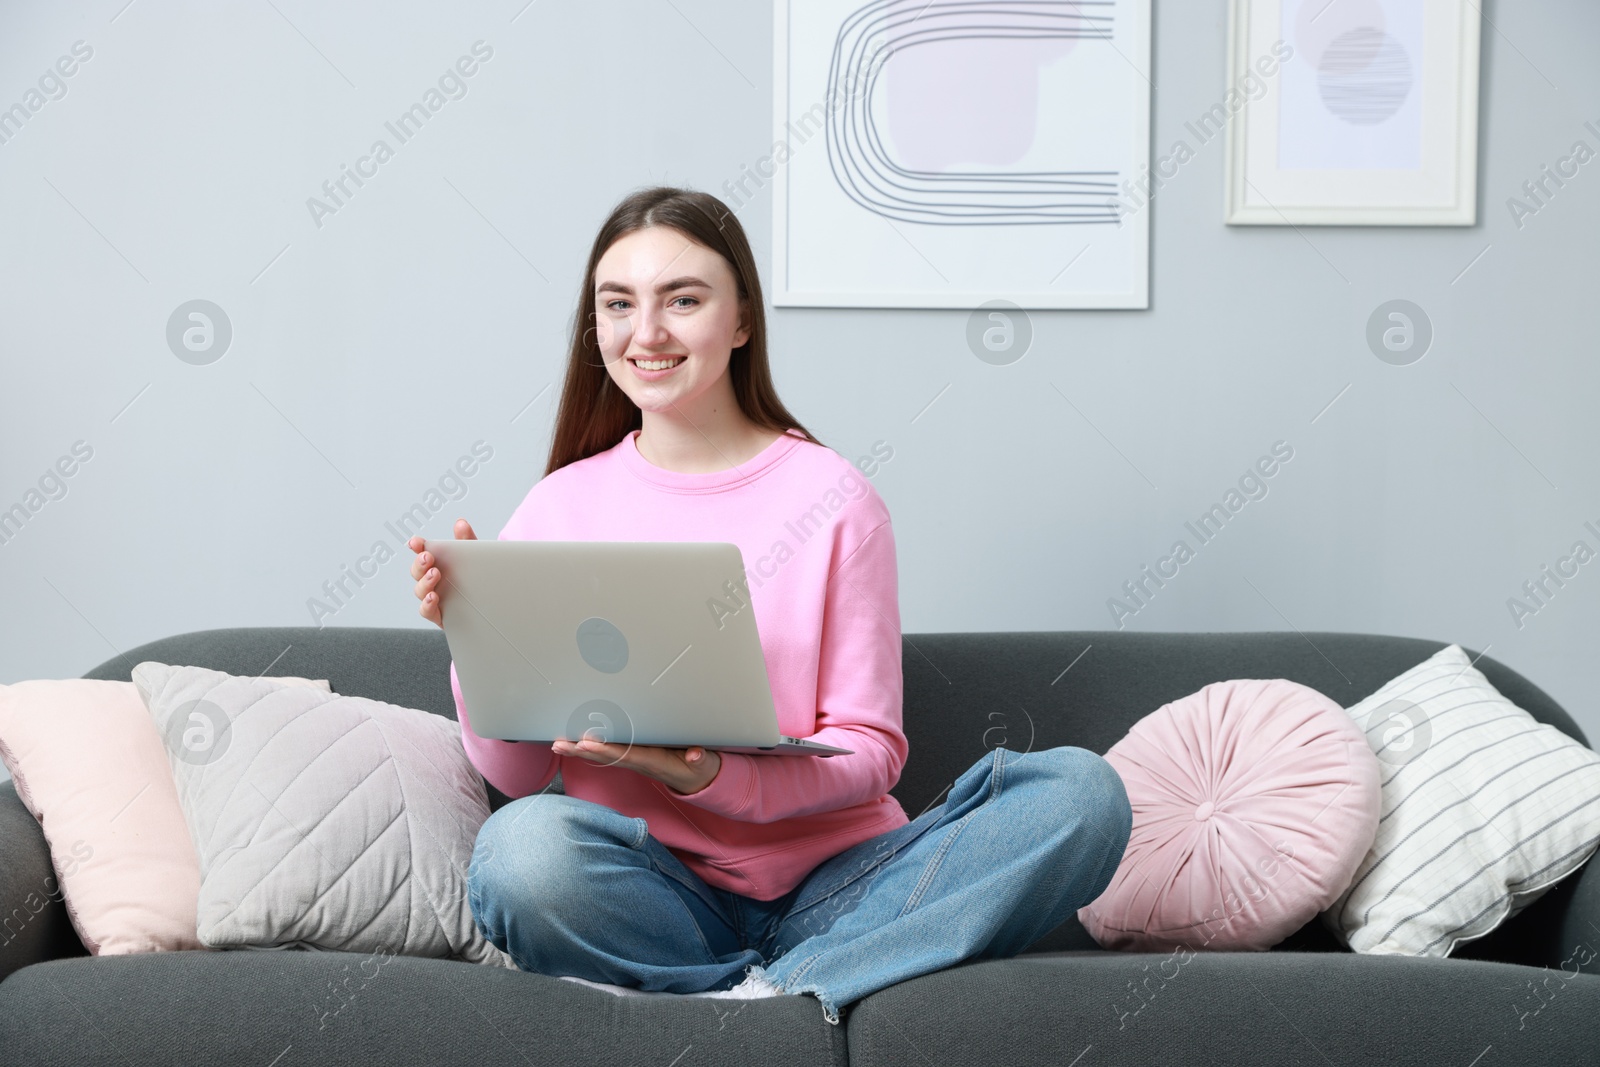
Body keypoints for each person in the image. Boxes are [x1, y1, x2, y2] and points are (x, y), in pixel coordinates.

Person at [406, 186, 1132, 1026]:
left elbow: (869, 752)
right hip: (657, 892)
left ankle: (768, 987)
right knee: (519, 854)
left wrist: (711, 775)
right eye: (618, 304)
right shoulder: (557, 507)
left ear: (742, 319)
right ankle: (807, 982)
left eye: (683, 299)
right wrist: (477, 641)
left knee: (1084, 794)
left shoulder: (835, 499)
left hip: (849, 886)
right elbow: (521, 777)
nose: (646, 333)